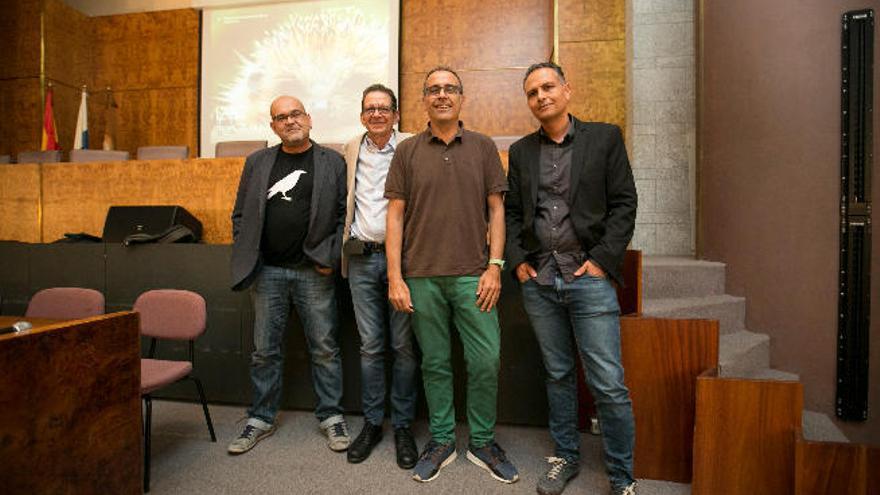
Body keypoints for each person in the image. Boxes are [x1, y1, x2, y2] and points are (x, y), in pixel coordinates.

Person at [504, 62, 639, 495]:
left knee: (607, 383)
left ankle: (621, 478)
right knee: (558, 374)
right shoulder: (522, 151)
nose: (541, 96)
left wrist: (602, 261)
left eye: (547, 87)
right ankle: (565, 457)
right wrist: (518, 261)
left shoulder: (604, 138)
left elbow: (624, 203)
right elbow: (511, 212)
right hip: (540, 280)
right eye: (532, 92)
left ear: (567, 91)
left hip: (589, 277)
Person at [385, 66, 518, 484]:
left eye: (450, 89)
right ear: (424, 99)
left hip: (472, 276)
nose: (442, 95)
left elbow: (497, 210)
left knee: (486, 360)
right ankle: (442, 439)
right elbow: (394, 216)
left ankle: (481, 441)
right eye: (434, 89)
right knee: (436, 363)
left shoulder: (482, 147)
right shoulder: (406, 151)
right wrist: (395, 276)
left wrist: (495, 267)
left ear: (461, 98)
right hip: (421, 276)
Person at [227, 95, 350, 455]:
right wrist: (248, 253)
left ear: (309, 119)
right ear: (273, 126)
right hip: (267, 273)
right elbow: (240, 215)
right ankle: (261, 418)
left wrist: (330, 256)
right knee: (264, 352)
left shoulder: (333, 162)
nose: (290, 121)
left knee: (325, 349)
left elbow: (344, 214)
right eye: (281, 117)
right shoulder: (257, 162)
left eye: (295, 114)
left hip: (314, 271)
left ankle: (331, 416)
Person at [340, 84, 419, 468]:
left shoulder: (412, 147)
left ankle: (403, 425)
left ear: (396, 114)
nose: (376, 114)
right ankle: (372, 424)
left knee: (403, 347)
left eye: (384, 108)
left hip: (402, 262)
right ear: (361, 115)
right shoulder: (350, 149)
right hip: (360, 259)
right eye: (370, 109)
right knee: (371, 347)